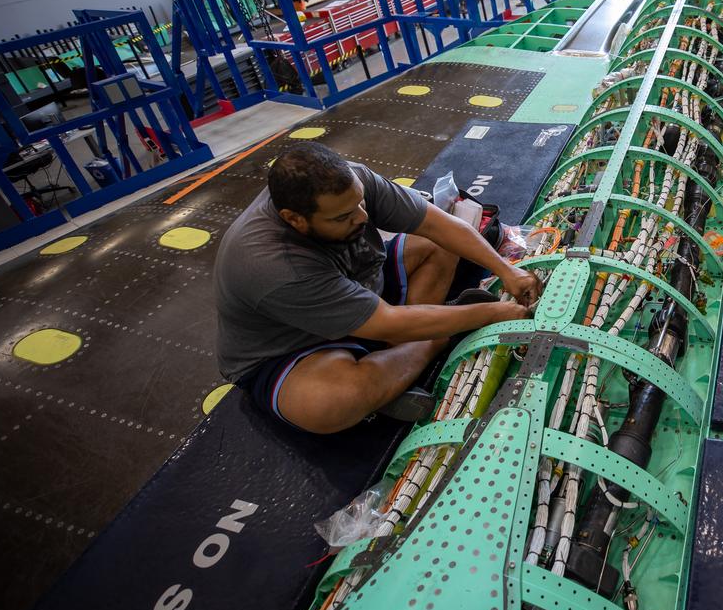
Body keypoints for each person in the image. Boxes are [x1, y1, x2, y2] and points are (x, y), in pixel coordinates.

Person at [214, 142, 540, 434]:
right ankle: (430, 340)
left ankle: (400, 360)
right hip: (293, 345)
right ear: (295, 219)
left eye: (360, 204)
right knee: (334, 401)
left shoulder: (349, 183)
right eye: (343, 217)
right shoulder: (271, 263)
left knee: (440, 242)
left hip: (359, 291)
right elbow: (385, 321)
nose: (361, 217)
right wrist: (490, 313)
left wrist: (507, 270)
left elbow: (437, 223)